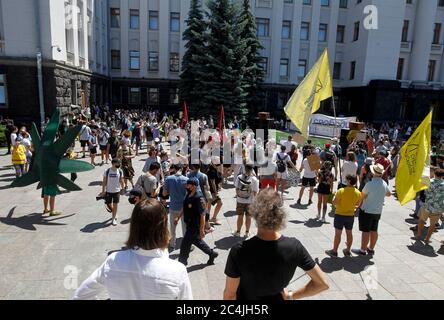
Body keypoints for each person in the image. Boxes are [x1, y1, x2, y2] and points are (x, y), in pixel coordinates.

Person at [74, 199, 193, 300]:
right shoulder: (177, 271)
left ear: (134, 226)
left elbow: (80, 296)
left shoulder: (113, 261)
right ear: (163, 227)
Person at [223, 188, 329, 300]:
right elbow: (322, 284)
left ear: (254, 213)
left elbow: (230, 294)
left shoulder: (239, 251)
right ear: (281, 216)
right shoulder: (294, 247)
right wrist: (291, 296)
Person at [175, 179, 219, 266]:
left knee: (184, 246)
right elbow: (184, 206)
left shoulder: (199, 198)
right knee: (196, 241)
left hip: (194, 226)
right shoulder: (189, 193)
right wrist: (178, 216)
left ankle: (181, 264)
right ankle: (212, 253)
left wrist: (202, 230)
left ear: (194, 186)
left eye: (188, 185)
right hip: (189, 224)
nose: (186, 186)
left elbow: (203, 215)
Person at [352, 164, 391, 256]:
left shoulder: (369, 184)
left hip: (367, 210)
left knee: (365, 231)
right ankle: (371, 248)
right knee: (374, 230)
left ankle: (363, 249)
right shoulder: (384, 183)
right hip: (377, 210)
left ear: (373, 173)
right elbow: (389, 194)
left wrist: (357, 205)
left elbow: (362, 196)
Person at [325, 175, 361, 258]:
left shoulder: (341, 191)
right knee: (349, 233)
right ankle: (348, 250)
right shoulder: (358, 192)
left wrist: (334, 196)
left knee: (338, 234)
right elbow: (357, 204)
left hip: (340, 215)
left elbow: (334, 202)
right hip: (350, 216)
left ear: (349, 181)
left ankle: (334, 251)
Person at [414, 169, 444, 244]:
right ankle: (427, 239)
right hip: (437, 207)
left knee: (421, 220)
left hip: (426, 205)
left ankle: (418, 235)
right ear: (442, 176)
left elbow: (422, 191)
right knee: (433, 224)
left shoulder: (428, 181)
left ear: (434, 173)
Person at [163, 164, 188, 250]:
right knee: (185, 226)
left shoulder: (168, 179)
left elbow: (164, 194)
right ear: (181, 169)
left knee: (172, 227)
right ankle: (185, 244)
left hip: (173, 206)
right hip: (184, 207)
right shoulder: (186, 179)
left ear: (174, 169)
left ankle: (172, 244)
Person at [233, 164, 259, 238]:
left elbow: (236, 188)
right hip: (249, 202)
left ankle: (238, 232)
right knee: (248, 217)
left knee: (240, 216)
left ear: (245, 168)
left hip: (240, 201)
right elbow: (255, 192)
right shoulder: (254, 179)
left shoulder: (239, 177)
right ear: (252, 169)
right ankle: (247, 232)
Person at [102, 158, 125, 226]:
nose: (119, 164)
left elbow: (121, 180)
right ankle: (114, 212)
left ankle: (113, 218)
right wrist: (103, 191)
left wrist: (123, 188)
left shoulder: (120, 171)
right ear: (113, 163)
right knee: (108, 204)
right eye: (118, 163)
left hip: (117, 191)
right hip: (108, 191)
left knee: (115, 204)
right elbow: (104, 181)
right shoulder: (107, 171)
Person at [207, 157, 223, 226]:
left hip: (211, 191)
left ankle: (209, 219)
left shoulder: (213, 168)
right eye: (217, 164)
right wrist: (215, 192)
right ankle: (212, 218)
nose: (218, 165)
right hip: (212, 191)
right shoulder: (211, 171)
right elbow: (212, 182)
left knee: (209, 206)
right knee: (219, 203)